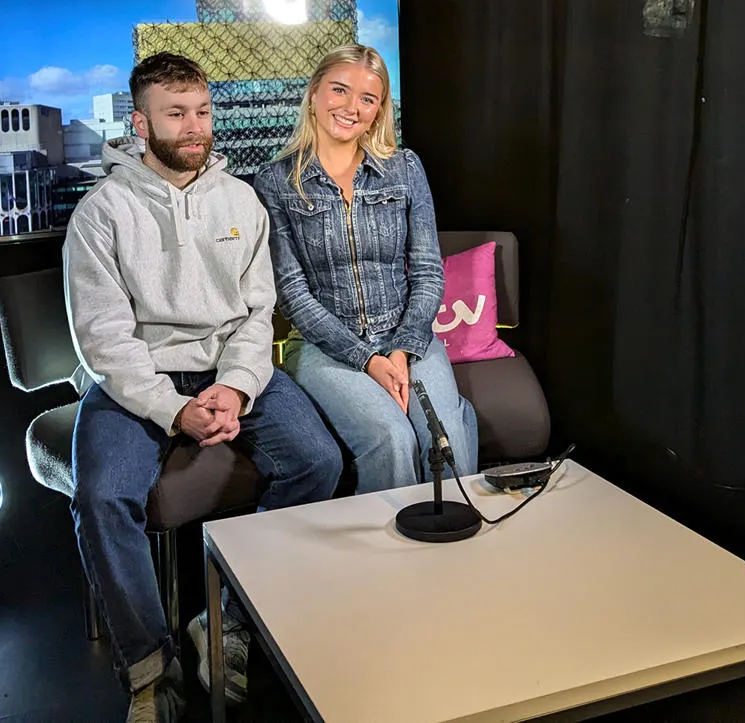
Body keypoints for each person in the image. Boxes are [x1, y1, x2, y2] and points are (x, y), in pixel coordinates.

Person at [63, 52, 342, 722]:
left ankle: (226, 623)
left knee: (319, 461)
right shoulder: (102, 213)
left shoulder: (240, 199)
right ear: (140, 122)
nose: (195, 127)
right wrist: (173, 408)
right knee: (101, 495)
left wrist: (239, 388)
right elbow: (104, 338)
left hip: (229, 369)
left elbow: (257, 311)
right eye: (176, 114)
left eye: (203, 111)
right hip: (139, 379)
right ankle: (152, 669)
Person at [252, 44, 478, 495]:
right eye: (340, 90)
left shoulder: (405, 168)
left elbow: (429, 270)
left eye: (368, 99)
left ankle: (458, 553)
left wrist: (401, 350)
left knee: (443, 438)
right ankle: (386, 560)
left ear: (378, 111)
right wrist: (367, 360)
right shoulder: (274, 181)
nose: (351, 108)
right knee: (391, 440)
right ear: (315, 93)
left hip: (406, 338)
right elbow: (292, 293)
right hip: (323, 348)